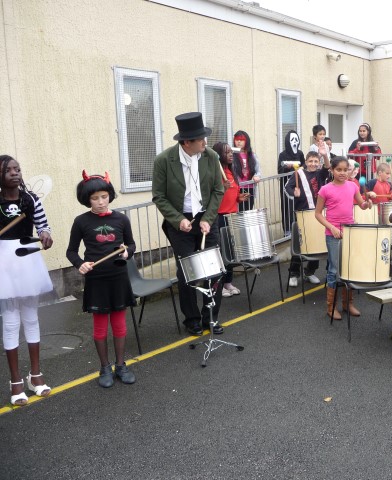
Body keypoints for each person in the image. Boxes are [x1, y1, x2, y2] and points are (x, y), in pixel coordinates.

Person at [152, 112, 225, 336]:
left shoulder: (211, 156)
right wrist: (178, 220)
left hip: (206, 218)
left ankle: (210, 317)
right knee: (187, 272)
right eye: (200, 139)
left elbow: (218, 190)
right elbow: (159, 196)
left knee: (214, 270)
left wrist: (208, 219)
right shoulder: (164, 160)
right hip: (180, 221)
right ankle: (192, 319)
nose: (205, 142)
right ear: (186, 142)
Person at [66, 171, 137, 388]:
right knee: (100, 327)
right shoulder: (81, 221)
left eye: (104, 197)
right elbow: (71, 251)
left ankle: (121, 365)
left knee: (119, 324)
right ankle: (105, 367)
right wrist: (80, 264)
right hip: (96, 279)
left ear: (110, 196)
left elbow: (131, 244)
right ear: (87, 199)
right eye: (95, 198)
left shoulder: (121, 219)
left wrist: (127, 252)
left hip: (118, 278)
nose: (100, 202)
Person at [0, 155, 54, 405]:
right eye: (8, 170)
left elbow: (43, 226)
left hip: (27, 258)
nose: (15, 173)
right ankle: (15, 381)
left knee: (31, 318)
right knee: (11, 322)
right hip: (3, 264)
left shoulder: (30, 199)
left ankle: (35, 375)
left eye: (17, 169)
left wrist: (45, 234)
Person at [315, 156, 375, 320]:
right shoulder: (325, 190)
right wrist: (332, 227)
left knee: (349, 268)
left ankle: (347, 303)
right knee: (334, 270)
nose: (342, 173)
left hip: (350, 232)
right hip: (333, 235)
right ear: (332, 170)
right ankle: (331, 307)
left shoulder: (353, 186)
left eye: (345, 170)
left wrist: (368, 203)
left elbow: (362, 205)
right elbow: (318, 214)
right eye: (338, 170)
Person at [285, 151, 331, 287]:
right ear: (306, 162)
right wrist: (294, 192)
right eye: (310, 161)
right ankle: (293, 274)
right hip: (302, 213)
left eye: (316, 161)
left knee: (316, 244)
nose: (313, 164)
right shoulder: (298, 173)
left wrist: (324, 155)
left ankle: (310, 272)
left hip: (318, 213)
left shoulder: (320, 174)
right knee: (300, 245)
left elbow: (327, 167)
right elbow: (287, 187)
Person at [212, 142, 250, 297]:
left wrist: (240, 198)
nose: (230, 154)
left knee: (230, 251)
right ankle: (218, 285)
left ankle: (228, 282)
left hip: (232, 216)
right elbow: (212, 196)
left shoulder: (231, 171)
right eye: (226, 152)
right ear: (218, 155)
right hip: (219, 217)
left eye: (230, 152)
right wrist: (223, 188)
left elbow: (233, 195)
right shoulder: (215, 173)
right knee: (220, 253)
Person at [278, 130, 305, 235]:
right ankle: (288, 230)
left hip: (298, 184)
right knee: (287, 206)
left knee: (298, 205)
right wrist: (287, 167)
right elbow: (280, 170)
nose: (294, 142)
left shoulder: (300, 153)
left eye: (296, 139)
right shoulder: (283, 155)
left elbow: (304, 165)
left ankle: (299, 228)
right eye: (292, 139)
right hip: (287, 184)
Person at [232, 130, 261, 212]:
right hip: (237, 188)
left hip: (249, 188)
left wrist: (257, 176)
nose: (239, 142)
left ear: (246, 141)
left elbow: (258, 170)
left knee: (248, 212)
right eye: (237, 139)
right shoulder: (232, 155)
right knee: (238, 213)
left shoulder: (252, 155)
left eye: (241, 140)